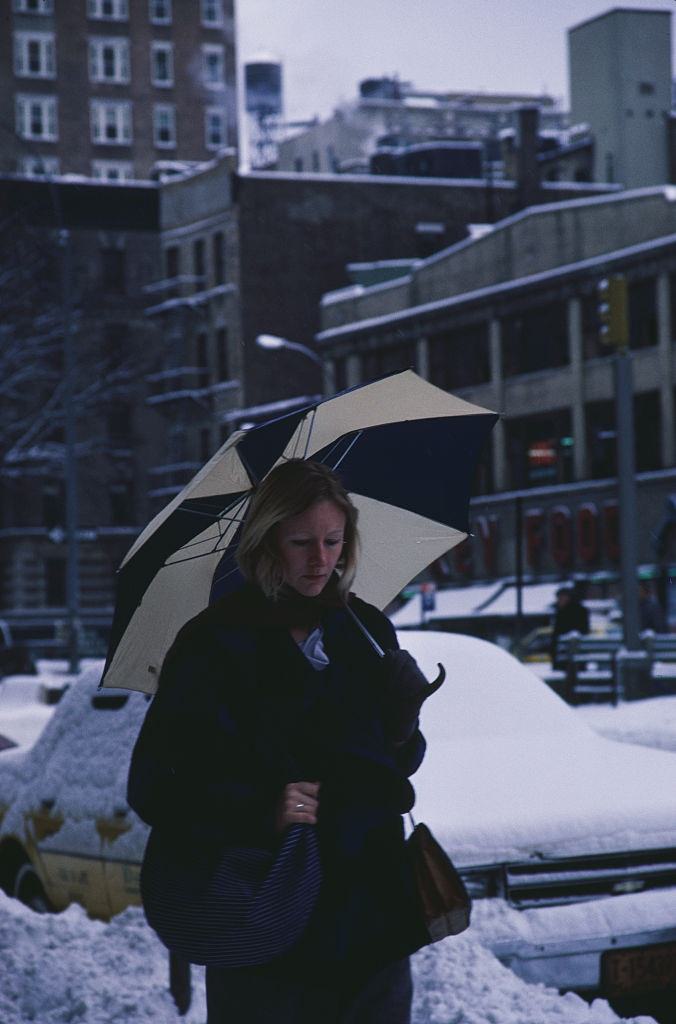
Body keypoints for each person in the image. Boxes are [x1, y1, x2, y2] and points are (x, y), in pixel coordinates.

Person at [127, 459, 441, 1024]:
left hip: (371, 923)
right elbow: (154, 787)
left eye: (333, 540)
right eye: (301, 542)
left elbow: (394, 769)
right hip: (265, 924)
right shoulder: (213, 645)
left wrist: (402, 724)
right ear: (267, 540)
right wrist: (260, 809)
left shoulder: (364, 629)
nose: (321, 560)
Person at [550, 585, 589, 665]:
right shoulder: (560, 611)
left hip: (570, 649)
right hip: (566, 650)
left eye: (561, 598)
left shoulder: (570, 612)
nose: (559, 600)